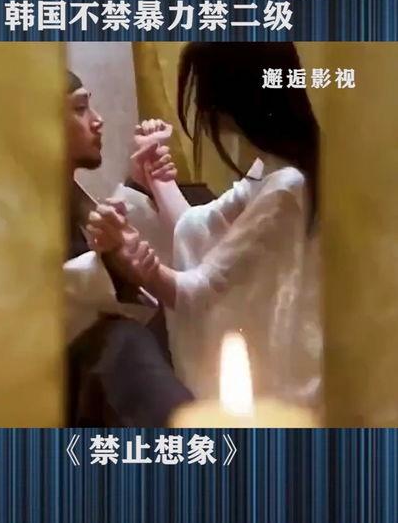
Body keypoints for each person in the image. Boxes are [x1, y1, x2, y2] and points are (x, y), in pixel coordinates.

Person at [88, 44, 322, 407]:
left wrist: (138, 264)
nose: (200, 105)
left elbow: (201, 294)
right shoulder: (276, 169)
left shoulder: (287, 186)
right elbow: (198, 225)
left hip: (293, 391)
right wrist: (157, 177)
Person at [64, 70, 194, 425]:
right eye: (80, 108)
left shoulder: (73, 200)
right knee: (122, 342)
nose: (97, 120)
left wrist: (143, 181)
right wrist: (109, 263)